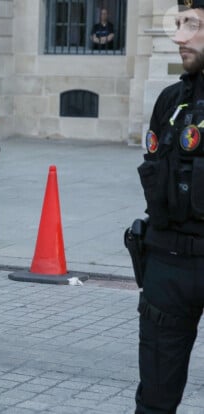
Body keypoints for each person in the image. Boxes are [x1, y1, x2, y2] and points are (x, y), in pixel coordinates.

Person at [133, 1, 204, 412]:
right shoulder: (170, 101)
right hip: (168, 264)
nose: (179, 36)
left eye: (192, 25)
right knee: (156, 397)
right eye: (177, 24)